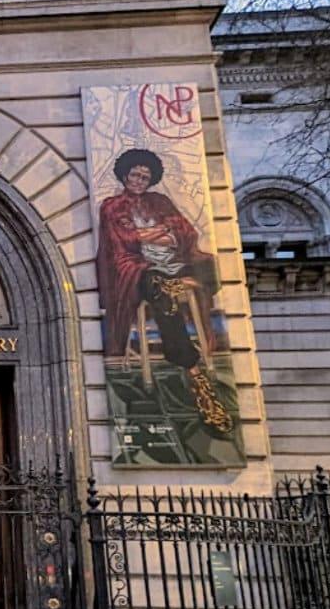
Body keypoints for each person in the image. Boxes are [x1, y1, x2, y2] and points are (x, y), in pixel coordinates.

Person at [96, 148, 232, 432]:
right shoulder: (111, 205)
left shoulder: (160, 201)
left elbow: (183, 233)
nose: (139, 180)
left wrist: (149, 235)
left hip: (176, 262)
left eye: (145, 177)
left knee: (208, 267)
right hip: (138, 269)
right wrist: (157, 234)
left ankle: (183, 287)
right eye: (135, 174)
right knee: (160, 288)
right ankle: (194, 372)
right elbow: (125, 241)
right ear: (125, 174)